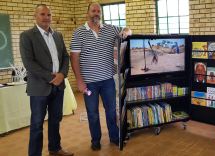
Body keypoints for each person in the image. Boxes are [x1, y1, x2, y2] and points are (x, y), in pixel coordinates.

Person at [70, 2, 132, 151]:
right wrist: (79, 81)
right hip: (88, 83)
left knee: (111, 111)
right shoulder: (79, 33)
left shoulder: (110, 29)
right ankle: (96, 140)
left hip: (107, 81)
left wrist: (126, 32)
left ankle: (114, 137)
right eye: (93, 10)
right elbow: (74, 58)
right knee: (92, 113)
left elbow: (127, 29)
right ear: (88, 13)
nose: (96, 13)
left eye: (98, 11)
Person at [19, 4, 73, 156]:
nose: (46, 18)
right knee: (37, 124)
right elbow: (29, 63)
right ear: (35, 16)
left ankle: (55, 149)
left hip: (59, 86)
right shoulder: (27, 36)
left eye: (49, 15)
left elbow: (65, 57)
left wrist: (62, 74)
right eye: (42, 14)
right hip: (39, 88)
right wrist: (52, 78)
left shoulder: (58, 35)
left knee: (56, 120)